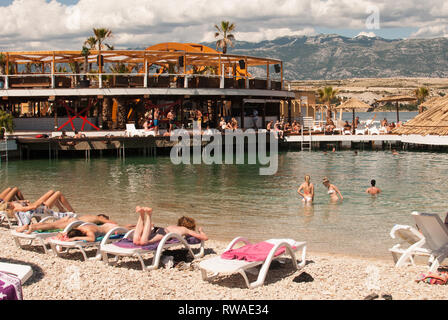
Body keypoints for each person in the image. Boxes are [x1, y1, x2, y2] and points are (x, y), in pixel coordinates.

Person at [132, 206, 208, 246]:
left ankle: (141, 215)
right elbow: (205, 238)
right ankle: (149, 215)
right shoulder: (186, 230)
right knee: (143, 243)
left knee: (136, 241)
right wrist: (201, 231)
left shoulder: (174, 226)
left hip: (160, 230)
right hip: (165, 234)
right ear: (191, 226)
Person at [16, 213, 121, 235]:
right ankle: (32, 227)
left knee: (54, 224)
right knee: (53, 226)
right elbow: (112, 223)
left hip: (72, 218)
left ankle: (29, 226)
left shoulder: (90, 215)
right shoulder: (99, 218)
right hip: (73, 223)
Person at [4, 190, 75, 216]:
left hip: (37, 206)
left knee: (51, 192)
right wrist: (40, 202)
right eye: (9, 204)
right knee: (58, 193)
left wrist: (23, 201)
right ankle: (72, 211)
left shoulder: (14, 206)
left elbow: (26, 204)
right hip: (41, 209)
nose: (10, 203)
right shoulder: (18, 209)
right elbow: (33, 207)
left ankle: (61, 210)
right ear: (9, 207)